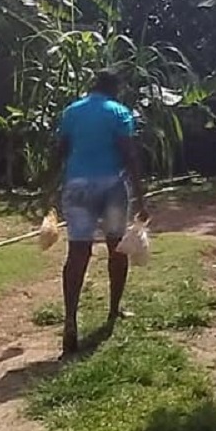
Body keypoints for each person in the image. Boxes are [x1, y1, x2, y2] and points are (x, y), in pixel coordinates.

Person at [53, 69, 148, 357]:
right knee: (117, 248)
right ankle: (113, 310)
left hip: (77, 185)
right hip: (111, 187)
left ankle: (70, 319)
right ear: (115, 88)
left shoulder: (72, 112)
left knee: (77, 253)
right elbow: (128, 153)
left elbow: (61, 150)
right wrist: (140, 193)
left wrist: (47, 188)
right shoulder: (119, 113)